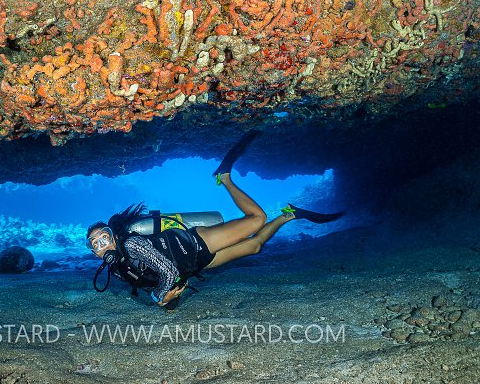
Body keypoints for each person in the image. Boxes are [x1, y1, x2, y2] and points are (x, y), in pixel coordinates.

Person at [86, 132, 343, 309]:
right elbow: (155, 280)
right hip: (198, 264)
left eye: (104, 237)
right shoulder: (116, 269)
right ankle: (290, 215)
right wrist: (168, 297)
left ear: (115, 236)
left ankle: (225, 177)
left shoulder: (130, 244)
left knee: (256, 219)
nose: (102, 246)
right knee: (254, 246)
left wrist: (158, 297)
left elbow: (168, 271)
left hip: (196, 243)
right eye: (95, 244)